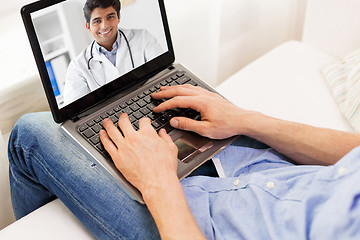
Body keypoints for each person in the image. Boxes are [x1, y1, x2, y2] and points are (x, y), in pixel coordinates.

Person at [8, 84, 360, 239]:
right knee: (174, 105)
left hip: (190, 227)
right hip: (268, 172)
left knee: (30, 134)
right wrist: (247, 119)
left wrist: (158, 182)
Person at [64, 0, 163, 105]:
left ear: (118, 17)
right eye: (97, 21)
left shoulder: (143, 37)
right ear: (88, 26)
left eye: (110, 17)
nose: (104, 26)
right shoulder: (77, 66)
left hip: (149, 101)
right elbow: (75, 110)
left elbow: (163, 74)